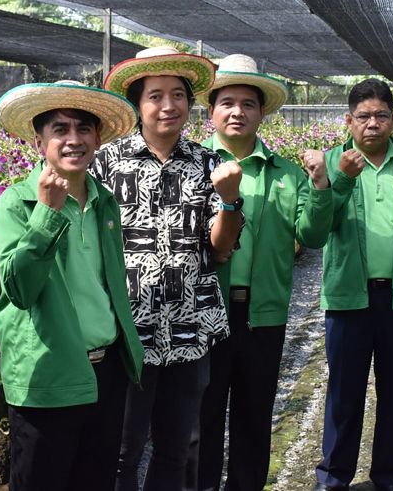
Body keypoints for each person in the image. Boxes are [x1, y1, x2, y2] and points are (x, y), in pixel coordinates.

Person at [91, 46, 244, 491]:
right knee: (122, 449)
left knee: (177, 447)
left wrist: (231, 200)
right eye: (155, 95)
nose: (169, 105)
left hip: (189, 325)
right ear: (138, 104)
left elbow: (220, 250)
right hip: (127, 331)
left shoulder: (208, 163)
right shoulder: (106, 163)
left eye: (178, 95)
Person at [0, 81, 146, 491]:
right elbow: (19, 289)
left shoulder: (104, 201)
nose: (73, 139)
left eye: (83, 128)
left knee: (95, 481)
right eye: (59, 129)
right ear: (40, 142)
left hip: (105, 370)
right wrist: (46, 214)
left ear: (98, 138)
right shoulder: (16, 203)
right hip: (49, 376)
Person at [190, 54, 332, 491]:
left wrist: (322, 185)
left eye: (248, 104)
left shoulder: (286, 173)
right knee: (202, 420)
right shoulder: (192, 166)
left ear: (262, 112)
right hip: (203, 316)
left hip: (262, 315)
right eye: (227, 102)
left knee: (254, 419)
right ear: (210, 110)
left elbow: (312, 235)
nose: (237, 112)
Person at [313, 78, 393, 491]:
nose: (373, 123)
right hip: (349, 297)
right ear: (349, 121)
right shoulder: (331, 162)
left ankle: (388, 475)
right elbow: (317, 228)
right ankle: (334, 476)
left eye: (381, 115)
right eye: (363, 116)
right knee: (344, 394)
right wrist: (339, 180)